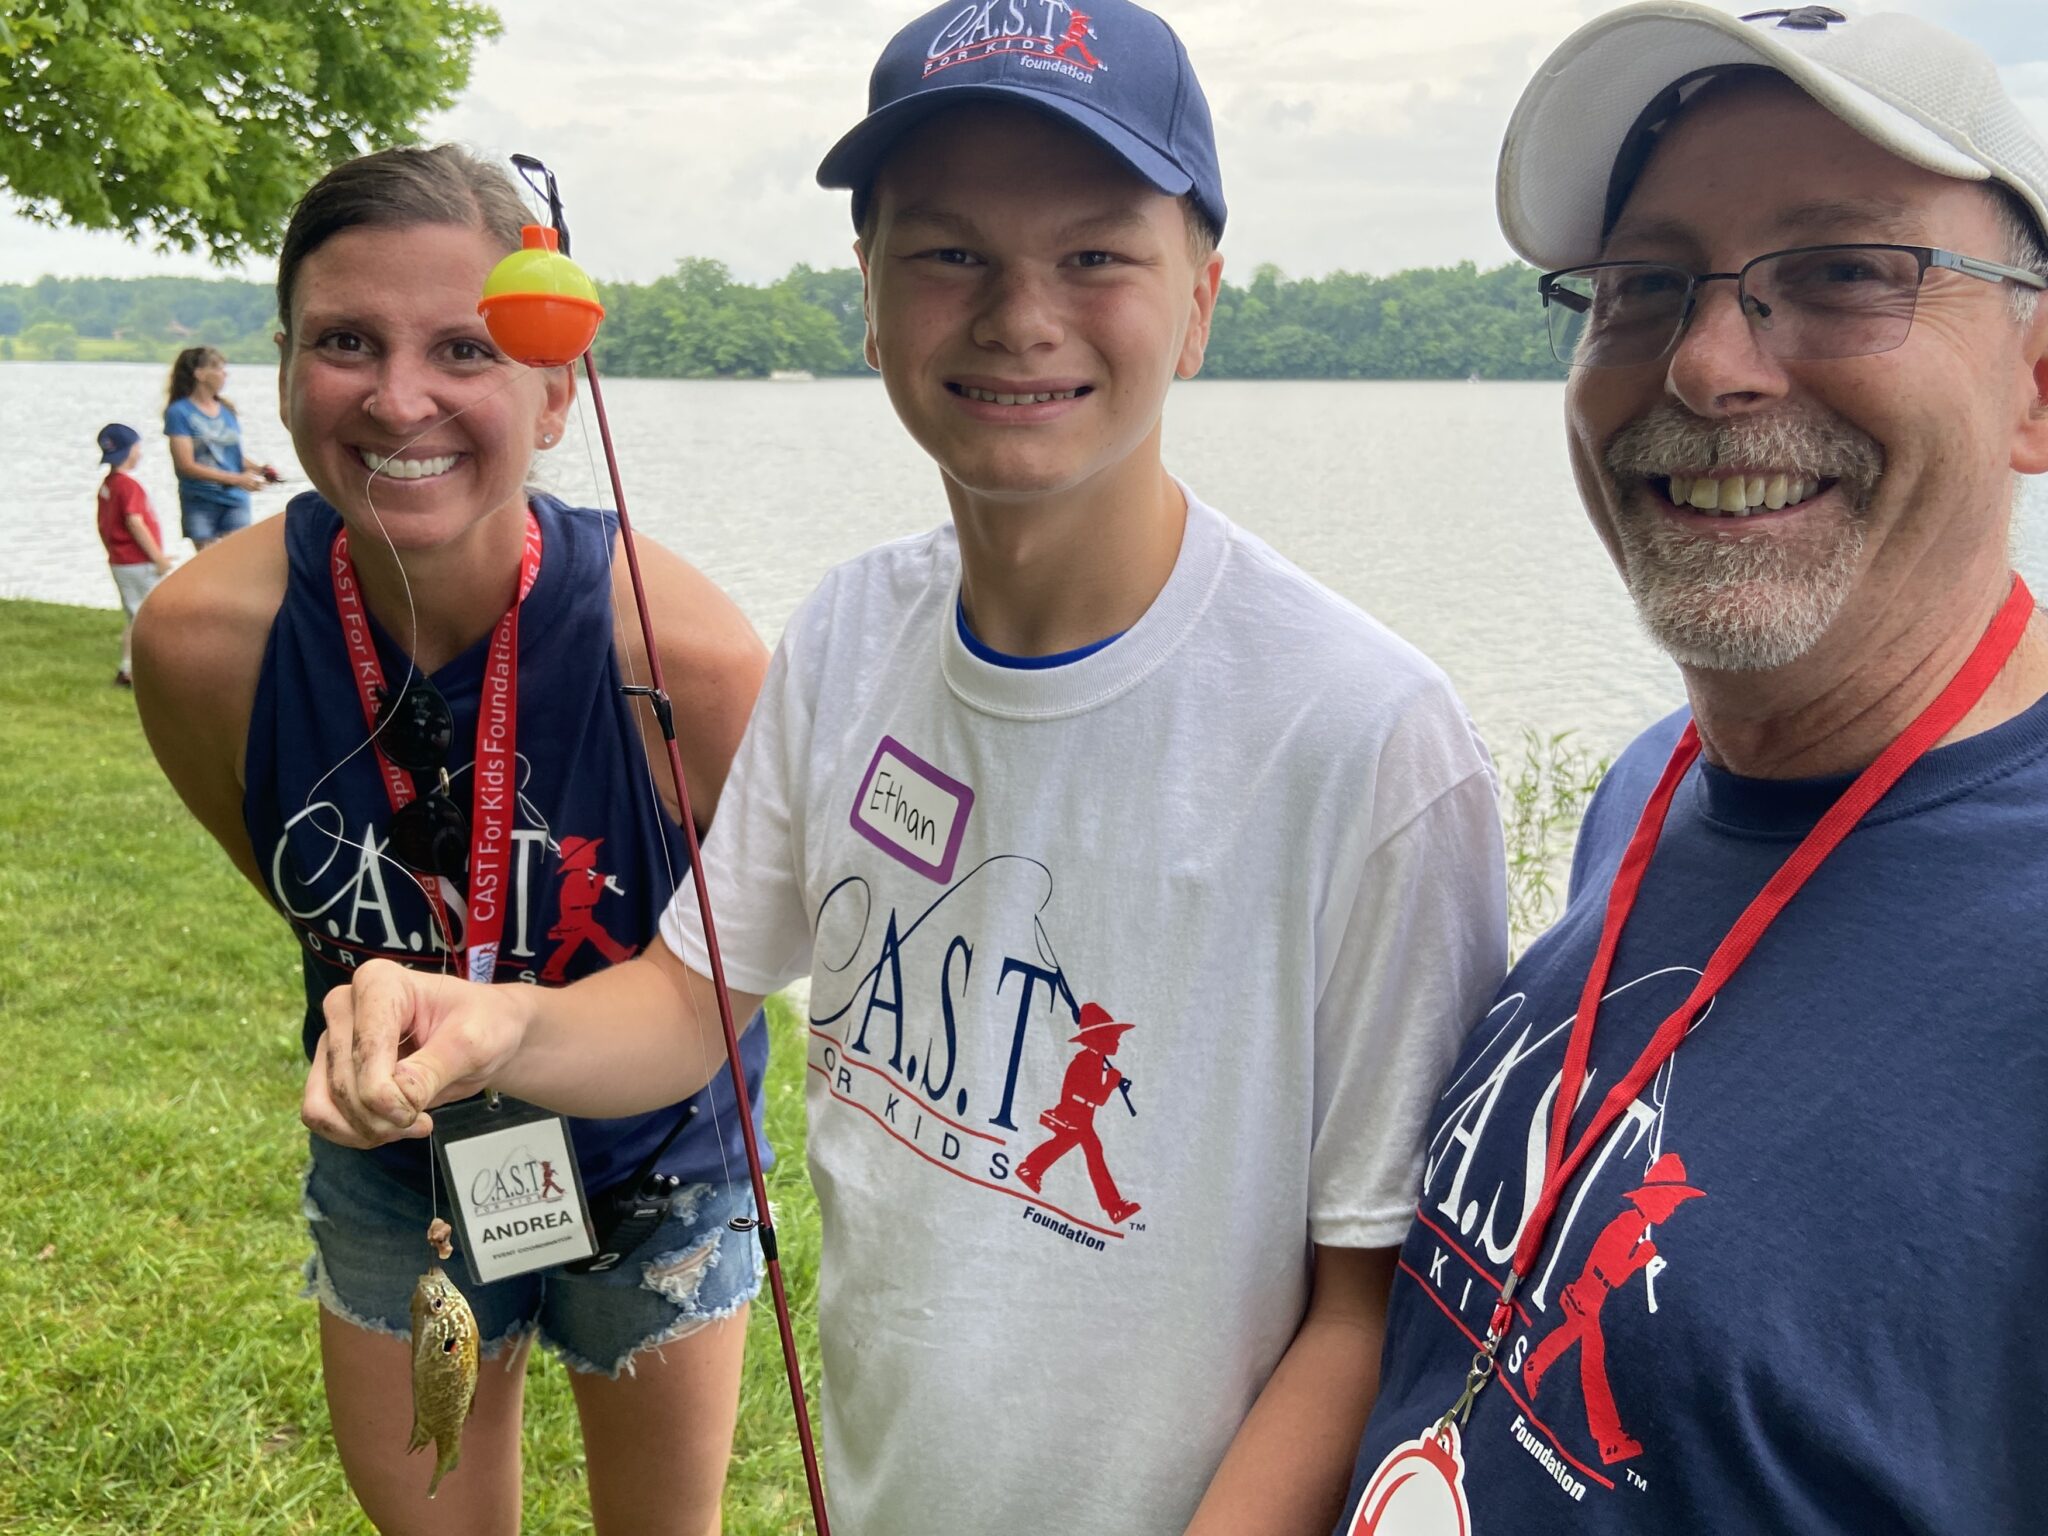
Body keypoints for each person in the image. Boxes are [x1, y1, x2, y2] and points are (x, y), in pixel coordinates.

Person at [303, 5, 1510, 1533]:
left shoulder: (1370, 739)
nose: (1019, 315)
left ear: (1200, 304)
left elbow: (1376, 1306)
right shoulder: (852, 629)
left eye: (1094, 256)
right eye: (948, 254)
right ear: (868, 302)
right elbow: (689, 1003)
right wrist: (494, 1024)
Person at [1339, 6, 2048, 1533]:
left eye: (1846, 272)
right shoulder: (1653, 786)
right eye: (1644, 285)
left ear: (2038, 382)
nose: (1709, 363)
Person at [131, 145, 772, 1536]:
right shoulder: (197, 646)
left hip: (660, 1161)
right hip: (397, 1166)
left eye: (466, 347)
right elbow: (293, 882)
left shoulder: (691, 660)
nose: (398, 396)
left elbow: (740, 966)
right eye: (345, 341)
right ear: (288, 364)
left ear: (555, 393)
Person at [163, 344, 274, 547]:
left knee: (237, 558)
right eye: (219, 369)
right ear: (200, 374)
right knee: (208, 563)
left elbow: (230, 456)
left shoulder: (227, 410)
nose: (224, 375)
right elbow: (186, 466)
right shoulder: (179, 413)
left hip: (235, 500)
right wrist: (238, 479)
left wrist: (260, 469)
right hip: (200, 500)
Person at [94, 422, 174, 686]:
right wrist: (158, 558)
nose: (140, 453)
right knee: (153, 615)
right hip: (138, 562)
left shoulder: (108, 485)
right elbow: (134, 521)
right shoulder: (129, 486)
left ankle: (127, 668)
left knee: (134, 615)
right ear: (130, 451)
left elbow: (106, 523)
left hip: (120, 561)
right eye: (138, 448)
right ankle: (153, 669)